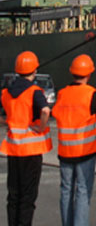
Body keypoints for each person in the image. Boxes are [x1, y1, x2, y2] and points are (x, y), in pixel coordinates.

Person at [52, 53, 96, 226]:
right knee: (83, 192)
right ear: (89, 73)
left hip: (65, 152)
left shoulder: (62, 94)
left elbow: (55, 113)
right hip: (86, 152)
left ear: (72, 73)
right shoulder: (93, 94)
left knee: (66, 191)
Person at [0, 50, 52, 226]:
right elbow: (45, 110)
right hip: (31, 151)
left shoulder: (6, 93)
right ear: (34, 70)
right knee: (28, 197)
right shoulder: (34, 91)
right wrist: (41, 127)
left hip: (14, 150)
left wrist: (6, 121)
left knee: (13, 195)